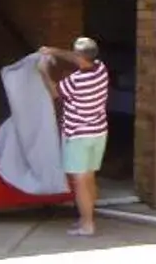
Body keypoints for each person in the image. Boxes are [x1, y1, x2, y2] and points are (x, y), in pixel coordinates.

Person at [39, 36, 111, 236]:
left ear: (80, 56)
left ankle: (87, 225)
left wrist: (44, 72)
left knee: (80, 183)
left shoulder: (76, 81)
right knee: (89, 178)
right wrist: (53, 50)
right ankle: (86, 219)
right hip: (98, 132)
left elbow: (54, 92)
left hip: (78, 135)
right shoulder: (101, 69)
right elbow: (75, 57)